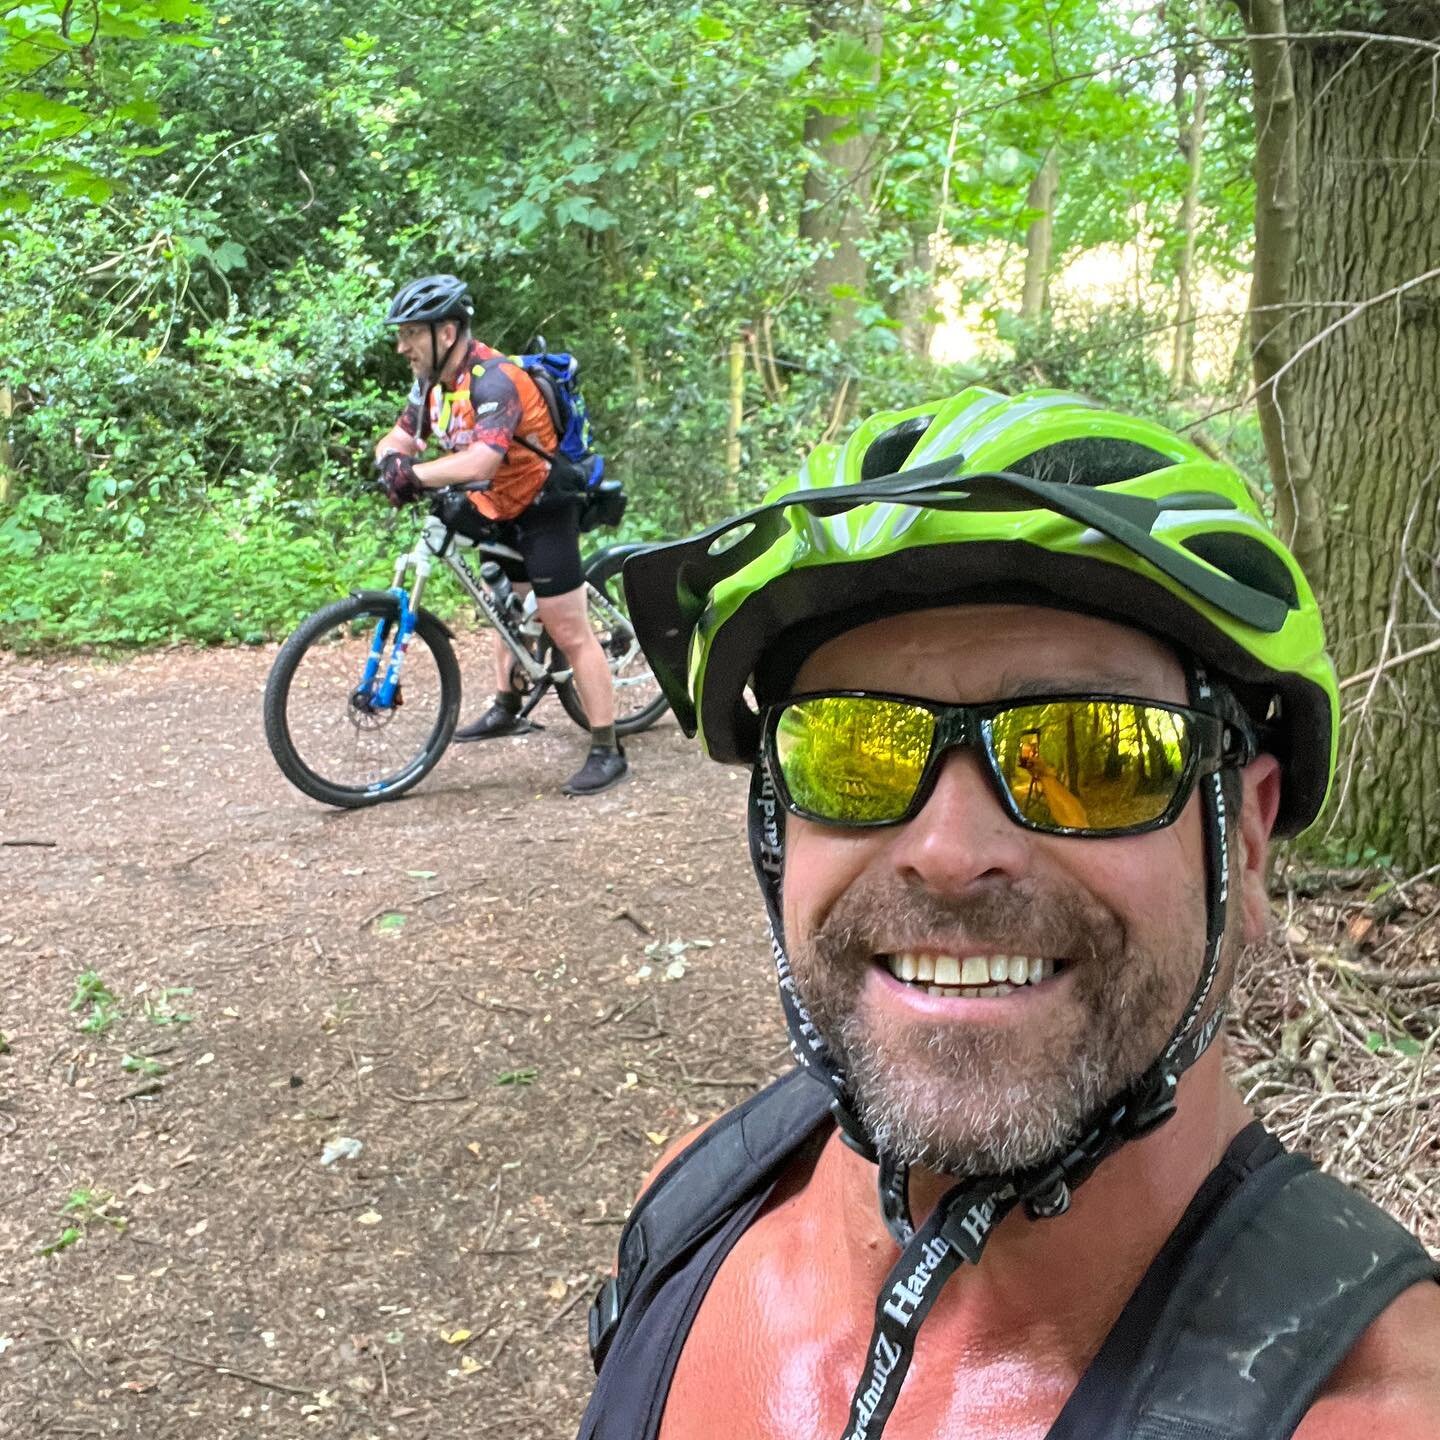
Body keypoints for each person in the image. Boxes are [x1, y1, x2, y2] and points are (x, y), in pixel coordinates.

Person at [577, 388, 1440, 1439]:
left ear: (1245, 840)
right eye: (852, 748)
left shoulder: (1378, 1409)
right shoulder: (692, 1212)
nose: (947, 855)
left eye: (1093, 751)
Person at [373, 273, 627, 796]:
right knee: (501, 601)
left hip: (544, 504)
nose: (402, 347)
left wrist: (415, 475)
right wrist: (390, 463)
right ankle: (508, 705)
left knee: (567, 628)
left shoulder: (495, 381)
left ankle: (607, 747)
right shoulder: (431, 388)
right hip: (497, 502)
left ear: (446, 332)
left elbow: (483, 456)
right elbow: (400, 437)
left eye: (410, 335)